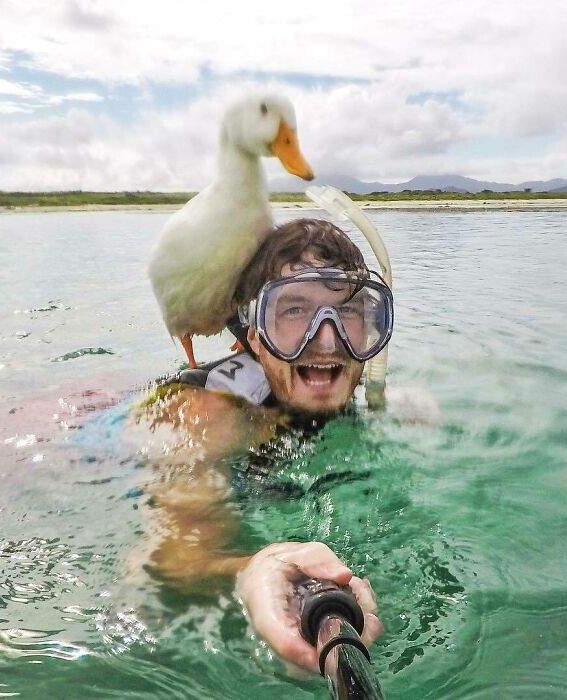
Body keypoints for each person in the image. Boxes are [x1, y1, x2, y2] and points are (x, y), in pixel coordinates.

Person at [128, 218, 392, 673]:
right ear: (254, 335)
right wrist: (253, 568)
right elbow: (169, 558)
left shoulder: (354, 395)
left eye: (346, 310)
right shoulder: (207, 416)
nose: (327, 340)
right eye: (293, 310)